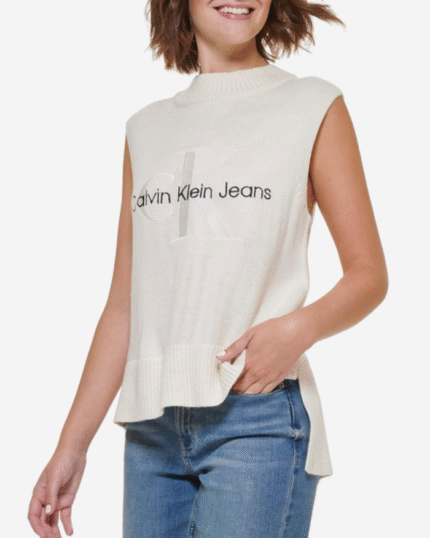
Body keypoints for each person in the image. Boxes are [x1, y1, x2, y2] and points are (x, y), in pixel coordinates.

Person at [28, 0, 389, 537]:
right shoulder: (146, 129)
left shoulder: (313, 105)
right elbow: (125, 306)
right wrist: (72, 446)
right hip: (151, 430)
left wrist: (295, 330)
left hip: (257, 420)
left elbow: (369, 273)